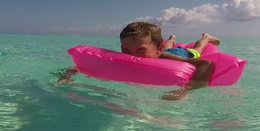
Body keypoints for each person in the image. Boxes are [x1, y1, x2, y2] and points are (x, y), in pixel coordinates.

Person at [55, 21, 221, 99]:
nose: (132, 55)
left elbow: (207, 64)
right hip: (161, 48)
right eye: (125, 50)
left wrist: (186, 90)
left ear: (158, 50)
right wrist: (66, 75)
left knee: (195, 49)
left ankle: (206, 37)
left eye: (140, 50)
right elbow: (80, 66)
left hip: (181, 54)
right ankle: (171, 38)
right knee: (169, 44)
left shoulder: (165, 55)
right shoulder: (126, 57)